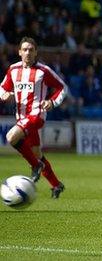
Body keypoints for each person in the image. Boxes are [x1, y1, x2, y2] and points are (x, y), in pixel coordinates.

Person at [0, 37, 68, 198]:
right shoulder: (13, 70)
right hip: (21, 118)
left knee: (11, 137)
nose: (28, 52)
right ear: (19, 52)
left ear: (36, 52)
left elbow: (62, 87)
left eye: (31, 49)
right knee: (36, 152)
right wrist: (4, 95)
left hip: (36, 116)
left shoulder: (43, 71)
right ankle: (56, 185)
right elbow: (2, 87)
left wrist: (52, 102)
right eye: (25, 49)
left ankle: (35, 165)